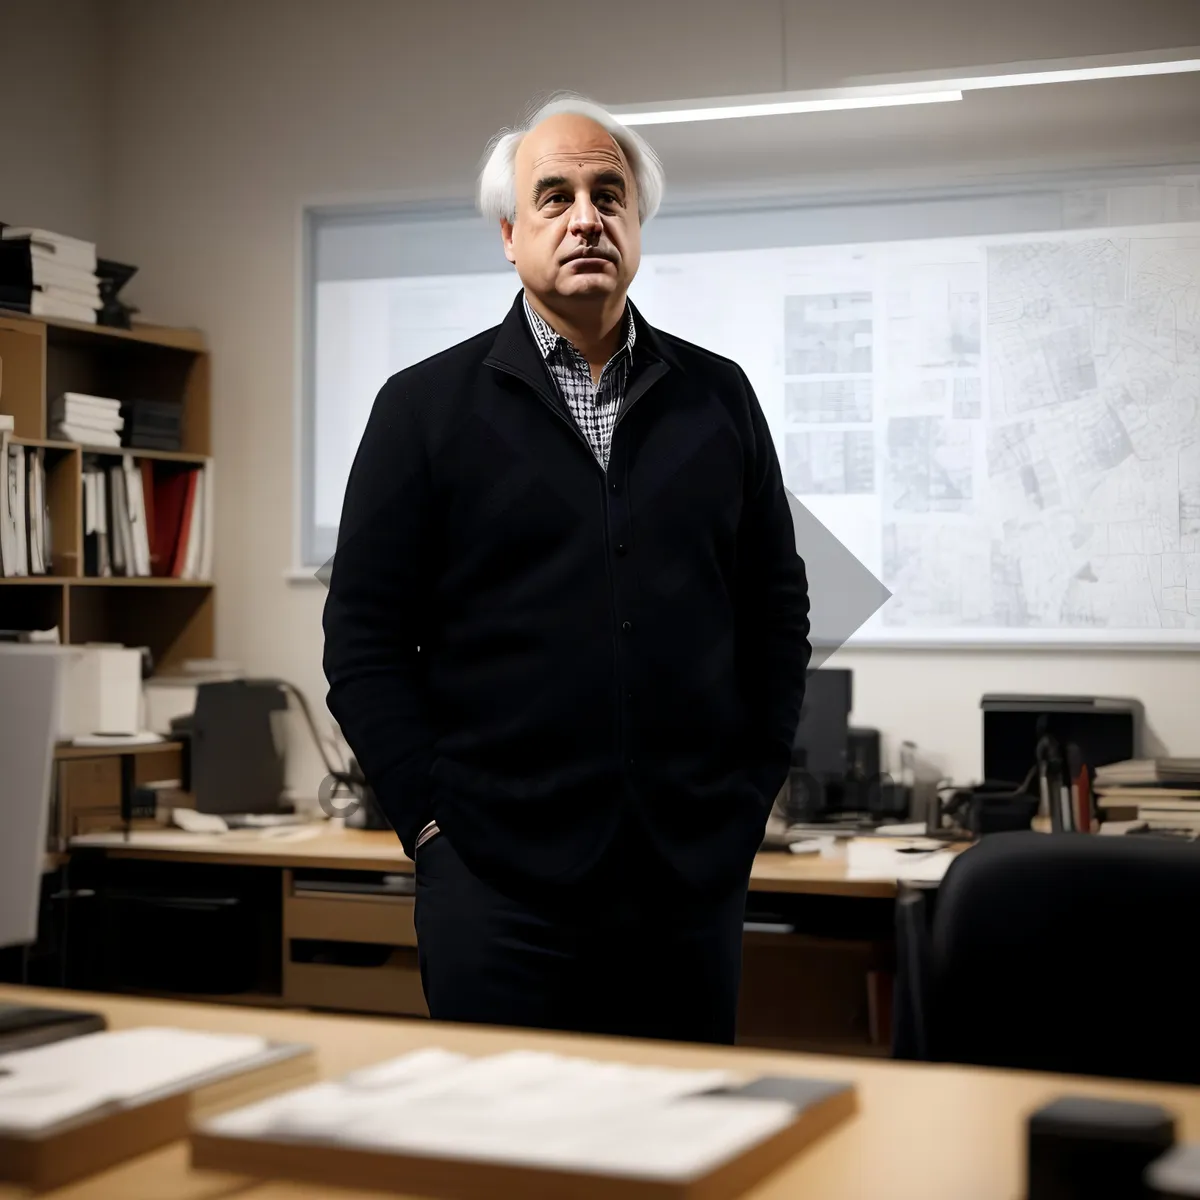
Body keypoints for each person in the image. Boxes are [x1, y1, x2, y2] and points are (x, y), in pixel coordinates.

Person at [322, 93, 810, 1045]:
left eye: (608, 194)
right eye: (554, 196)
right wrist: (430, 829)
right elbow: (364, 641)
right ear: (510, 234)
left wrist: (747, 801)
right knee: (510, 1169)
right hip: (497, 894)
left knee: (683, 1165)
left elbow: (776, 613)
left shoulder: (720, 399)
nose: (586, 216)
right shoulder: (422, 409)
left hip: (686, 889)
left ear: (636, 226)